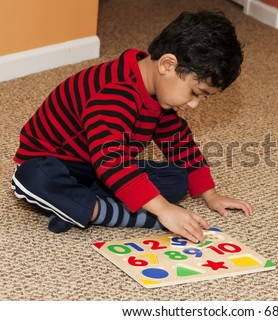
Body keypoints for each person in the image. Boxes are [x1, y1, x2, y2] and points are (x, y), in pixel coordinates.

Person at [11, 10, 254, 243]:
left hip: (99, 165)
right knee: (34, 178)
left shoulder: (159, 94)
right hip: (55, 162)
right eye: (194, 93)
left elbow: (178, 142)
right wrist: (162, 209)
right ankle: (125, 214)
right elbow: (110, 161)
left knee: (177, 179)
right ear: (167, 65)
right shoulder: (114, 93)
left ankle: (80, 207)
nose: (193, 104)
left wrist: (210, 194)